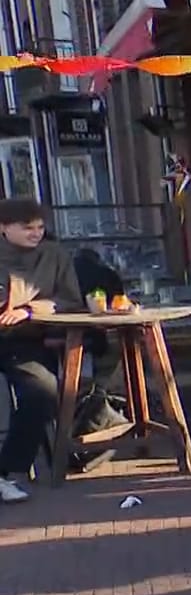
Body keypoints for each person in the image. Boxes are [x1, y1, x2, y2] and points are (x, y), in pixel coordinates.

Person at [0, 199, 79, 502]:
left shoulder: (54, 255)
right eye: (27, 228)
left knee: (43, 391)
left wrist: (31, 310)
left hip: (24, 339)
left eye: (40, 227)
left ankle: (5, 471)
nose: (35, 233)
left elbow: (71, 300)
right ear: (4, 228)